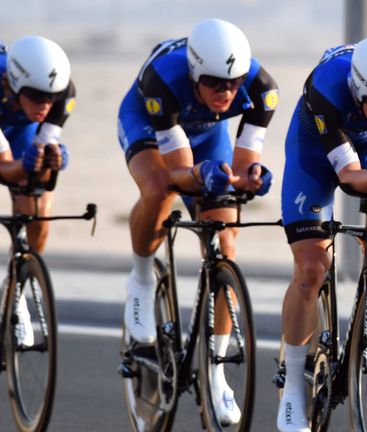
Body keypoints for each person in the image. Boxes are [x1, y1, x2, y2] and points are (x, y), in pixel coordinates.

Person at [117, 18, 277, 425]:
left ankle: (216, 373)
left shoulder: (262, 89)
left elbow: (242, 164)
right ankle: (141, 279)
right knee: (159, 189)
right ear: (193, 74)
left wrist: (249, 177)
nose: (225, 92)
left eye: (233, 83)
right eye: (214, 83)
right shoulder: (163, 79)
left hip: (207, 136)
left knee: (225, 243)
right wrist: (202, 175)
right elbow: (180, 172)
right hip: (149, 125)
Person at [277, 37, 367, 432]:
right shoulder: (327, 88)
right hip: (316, 157)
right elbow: (350, 177)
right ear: (357, 92)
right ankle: (293, 384)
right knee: (311, 268)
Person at [1, 35, 73, 347]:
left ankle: (16, 293)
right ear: (14, 84)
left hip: (18, 129)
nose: (45, 105)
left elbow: (37, 163)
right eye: (37, 96)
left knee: (37, 212)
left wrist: (50, 161)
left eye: (51, 98)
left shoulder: (64, 92)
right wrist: (23, 166)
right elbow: (5, 169)